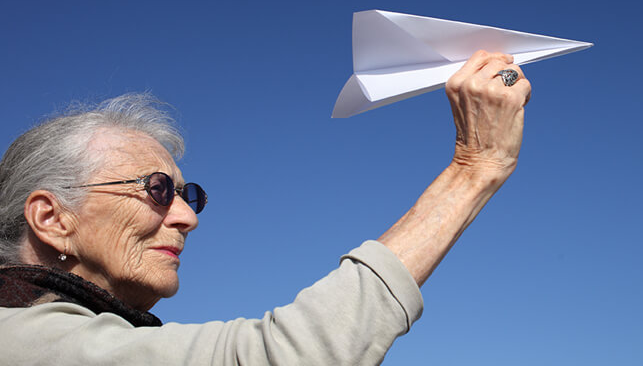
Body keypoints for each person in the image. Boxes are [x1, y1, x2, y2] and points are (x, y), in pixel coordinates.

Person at [0, 50, 530, 365]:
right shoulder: (20, 339)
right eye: (158, 189)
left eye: (189, 196)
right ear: (51, 219)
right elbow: (283, 357)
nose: (188, 217)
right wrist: (474, 168)